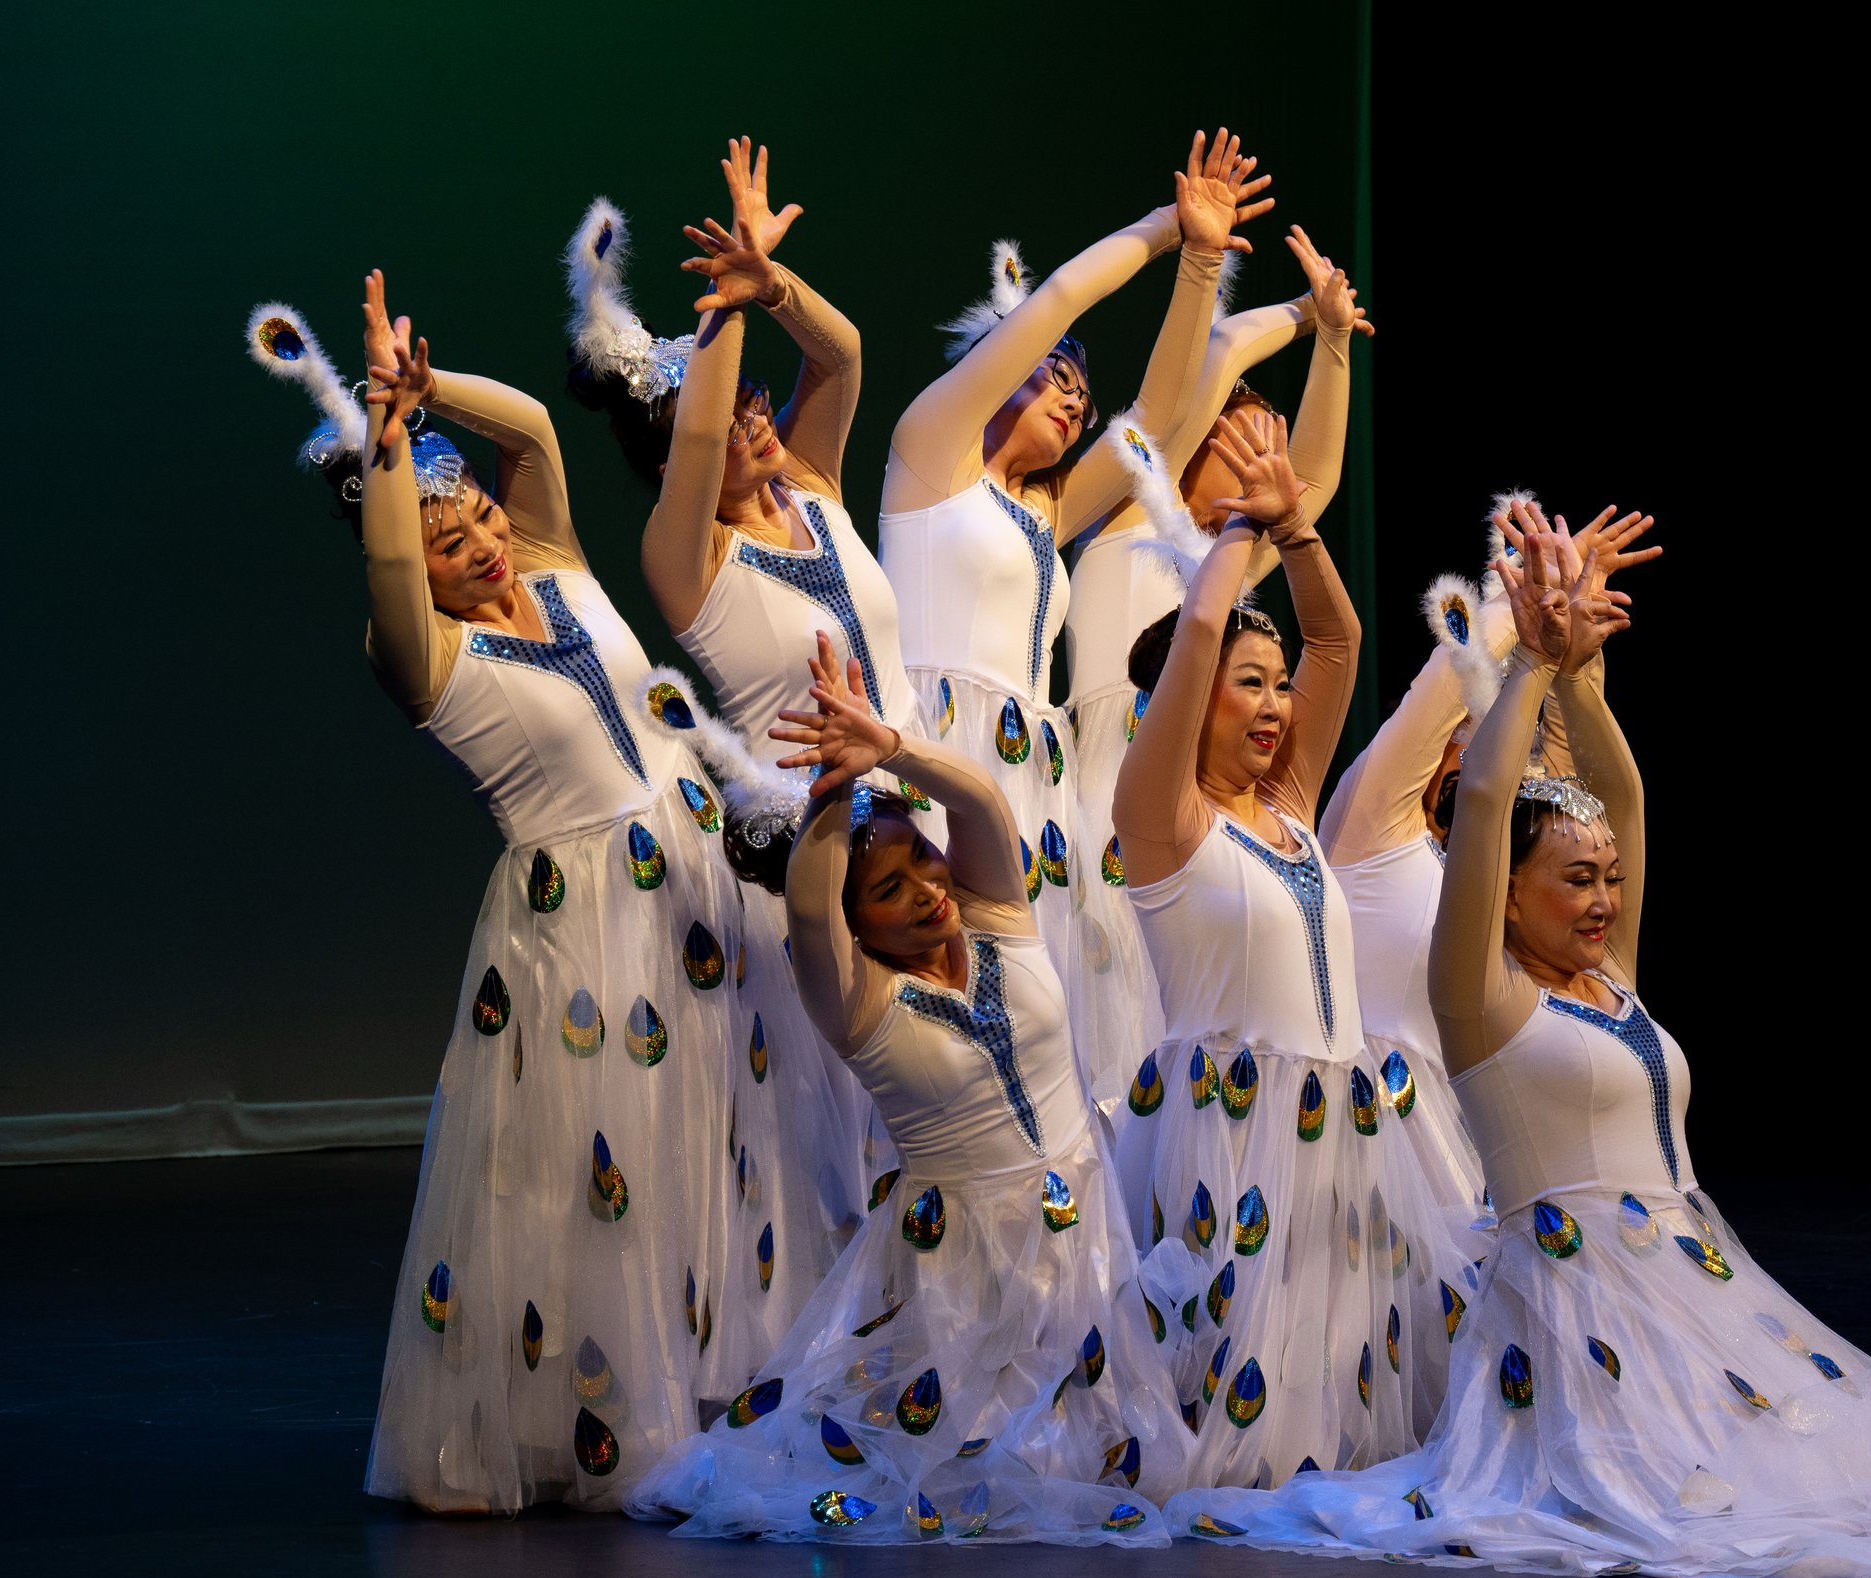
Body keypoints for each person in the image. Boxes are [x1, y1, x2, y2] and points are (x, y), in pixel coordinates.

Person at [1169, 505, 1871, 1578]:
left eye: (1608, 882)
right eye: (1576, 882)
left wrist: (1582, 677)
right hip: (1580, 1307)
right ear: (1503, 893)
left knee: (1868, 1458)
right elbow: (1493, 789)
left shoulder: (1610, 982)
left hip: (1698, 1273)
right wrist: (1526, 666)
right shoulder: (1483, 1003)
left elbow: (1628, 803)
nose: (1603, 900)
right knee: (1710, 1503)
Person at [248, 277, 744, 1512]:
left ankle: (719, 1375)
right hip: (582, 932)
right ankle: (602, 1417)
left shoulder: (561, 567)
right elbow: (387, 566)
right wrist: (381, 439)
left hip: (696, 885)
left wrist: (428, 396)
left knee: (712, 1139)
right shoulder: (429, 659)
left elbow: (529, 426)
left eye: (469, 512)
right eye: (439, 534)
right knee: (597, 1171)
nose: (471, 535)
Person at [625, 633, 1182, 1545]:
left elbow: (983, 801)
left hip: (1084, 1221)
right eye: (889, 887)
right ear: (856, 923)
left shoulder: (996, 913)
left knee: (1117, 1446)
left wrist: (887, 748)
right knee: (979, 1473)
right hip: (965, 1265)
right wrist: (834, 797)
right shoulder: (858, 1001)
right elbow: (809, 904)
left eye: (923, 859)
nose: (929, 887)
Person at [565, 140, 913, 1366]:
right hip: (806, 864)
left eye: (760, 400)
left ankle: (916, 1350)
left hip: (908, 822)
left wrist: (772, 290)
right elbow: (702, 442)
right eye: (732, 415)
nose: (757, 421)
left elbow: (847, 355)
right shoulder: (689, 564)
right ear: (670, 467)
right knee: (817, 1138)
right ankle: (815, 1367)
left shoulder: (813, 491)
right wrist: (716, 321)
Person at [1110, 409, 1468, 1487]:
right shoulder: (1165, 821)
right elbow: (1195, 650)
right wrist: (1233, 538)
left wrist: (1298, 530)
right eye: (1245, 682)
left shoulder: (1290, 805)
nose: (1273, 706)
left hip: (1340, 1121)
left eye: (1277, 686)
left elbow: (1340, 642)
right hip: (1225, 1131)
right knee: (1233, 1373)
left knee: (1338, 1360)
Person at [875, 130, 1270, 1045]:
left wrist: (1203, 264)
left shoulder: (1043, 511)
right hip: (939, 751)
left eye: (1081, 402)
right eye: (1056, 379)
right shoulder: (930, 456)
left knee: (1049, 1028)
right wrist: (1164, 227)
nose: (1074, 404)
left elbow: (1157, 423)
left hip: (1034, 783)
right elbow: (1054, 301)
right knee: (944, 1014)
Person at [1064, 225, 1370, 1117]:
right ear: (1193, 450)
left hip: (1210, 841)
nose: (1267, 459)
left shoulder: (1226, 563)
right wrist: (1303, 313)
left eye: (1271, 444)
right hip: (1117, 814)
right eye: (1248, 443)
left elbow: (1308, 489)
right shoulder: (1121, 531)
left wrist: (1337, 345)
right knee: (1118, 1050)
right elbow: (1214, 353)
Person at [1317, 499, 1659, 1225]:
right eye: (1495, 718)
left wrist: (1576, 645)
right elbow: (1442, 687)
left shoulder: (1519, 871)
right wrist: (1523, 601)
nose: (1519, 746)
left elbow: (1586, 775)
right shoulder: (1372, 830)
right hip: (1386, 1177)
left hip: (1498, 1158)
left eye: (1525, 726)